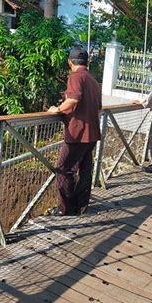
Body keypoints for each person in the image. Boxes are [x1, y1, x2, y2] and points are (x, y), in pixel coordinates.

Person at [47, 47, 102, 216]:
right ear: (86, 62)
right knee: (85, 170)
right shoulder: (92, 80)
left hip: (77, 133)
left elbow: (73, 99)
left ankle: (67, 209)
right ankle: (81, 207)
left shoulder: (76, 76)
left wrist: (57, 109)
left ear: (70, 62)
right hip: (92, 133)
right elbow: (99, 108)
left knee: (63, 169)